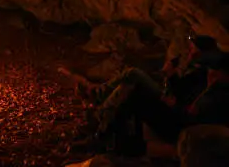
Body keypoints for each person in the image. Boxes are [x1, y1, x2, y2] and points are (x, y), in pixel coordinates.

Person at [61, 34, 229, 156]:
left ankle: (101, 131)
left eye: (196, 52)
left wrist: (177, 104)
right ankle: (102, 127)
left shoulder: (218, 95)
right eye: (192, 50)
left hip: (177, 125)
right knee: (132, 89)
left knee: (134, 80)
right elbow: (180, 91)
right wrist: (171, 79)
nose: (211, 75)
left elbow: (195, 120)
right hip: (173, 109)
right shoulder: (201, 75)